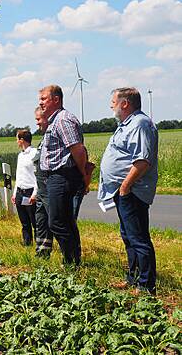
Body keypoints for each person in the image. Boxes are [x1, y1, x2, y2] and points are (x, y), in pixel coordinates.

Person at [99, 87, 158, 295]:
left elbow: (143, 161)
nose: (110, 105)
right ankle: (133, 279)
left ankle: (146, 286)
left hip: (133, 190)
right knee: (128, 236)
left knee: (138, 238)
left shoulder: (140, 123)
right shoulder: (126, 124)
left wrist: (125, 187)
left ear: (125, 103)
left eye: (113, 101)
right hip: (124, 190)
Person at [39, 85, 88, 266]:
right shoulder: (54, 121)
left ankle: (71, 261)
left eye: (44, 98)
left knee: (57, 222)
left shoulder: (63, 120)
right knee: (65, 220)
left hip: (63, 176)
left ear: (56, 99)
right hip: (56, 177)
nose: (40, 102)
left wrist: (81, 173)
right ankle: (74, 260)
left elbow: (77, 149)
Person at [33, 107, 54, 258]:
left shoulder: (54, 135)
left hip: (49, 187)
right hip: (41, 189)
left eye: (38, 119)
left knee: (55, 222)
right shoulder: (44, 138)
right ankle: (42, 253)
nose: (37, 123)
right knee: (41, 222)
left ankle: (70, 256)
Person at [11, 129, 37, 246]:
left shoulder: (35, 153)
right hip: (20, 191)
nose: (16, 142)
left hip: (31, 191)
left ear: (21, 140)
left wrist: (35, 193)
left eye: (17, 139)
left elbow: (37, 175)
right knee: (24, 222)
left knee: (35, 221)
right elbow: (19, 175)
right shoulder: (20, 155)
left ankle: (39, 244)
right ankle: (27, 243)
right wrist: (15, 192)